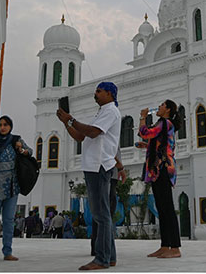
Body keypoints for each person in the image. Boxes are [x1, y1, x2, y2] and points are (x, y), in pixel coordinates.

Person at [57, 82, 121, 270]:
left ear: (109, 94)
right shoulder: (102, 112)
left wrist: (72, 119)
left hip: (99, 165)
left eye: (99, 91)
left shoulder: (110, 111)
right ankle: (110, 257)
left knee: (101, 214)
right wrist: (67, 122)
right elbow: (81, 136)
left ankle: (101, 258)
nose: (95, 94)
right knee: (102, 214)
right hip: (94, 165)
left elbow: (93, 133)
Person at [0, 115, 33, 262]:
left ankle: (7, 252)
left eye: (6, 125)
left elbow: (30, 152)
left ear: (10, 127)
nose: (3, 127)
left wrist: (20, 149)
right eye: (1, 125)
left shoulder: (15, 140)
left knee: (9, 221)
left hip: (12, 188)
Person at [136, 100, 182, 258]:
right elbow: (156, 141)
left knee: (167, 208)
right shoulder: (163, 123)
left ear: (167, 109)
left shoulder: (165, 122)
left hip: (162, 169)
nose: (159, 106)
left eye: (162, 105)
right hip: (157, 170)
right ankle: (165, 245)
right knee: (162, 209)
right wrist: (147, 146)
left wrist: (142, 117)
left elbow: (145, 132)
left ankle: (175, 247)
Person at [91, 144, 126, 256]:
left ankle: (98, 246)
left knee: (102, 211)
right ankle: (102, 248)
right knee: (105, 212)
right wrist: (120, 167)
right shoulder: (109, 132)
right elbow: (107, 150)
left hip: (109, 174)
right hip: (109, 174)